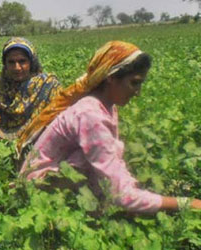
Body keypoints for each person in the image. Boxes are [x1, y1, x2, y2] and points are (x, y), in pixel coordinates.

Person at [19, 41, 201, 213]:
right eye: (134, 82)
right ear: (111, 78)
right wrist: (185, 203)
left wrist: (132, 188)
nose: (138, 92)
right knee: (91, 166)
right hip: (39, 192)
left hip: (55, 182)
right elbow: (121, 195)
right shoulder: (91, 115)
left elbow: (113, 159)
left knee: (102, 160)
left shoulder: (106, 105)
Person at [0, 37, 62, 140]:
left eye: (22, 61)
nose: (17, 68)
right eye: (11, 62)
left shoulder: (48, 86)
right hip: (1, 143)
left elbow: (58, 122)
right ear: (5, 64)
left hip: (40, 143)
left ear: (31, 62)